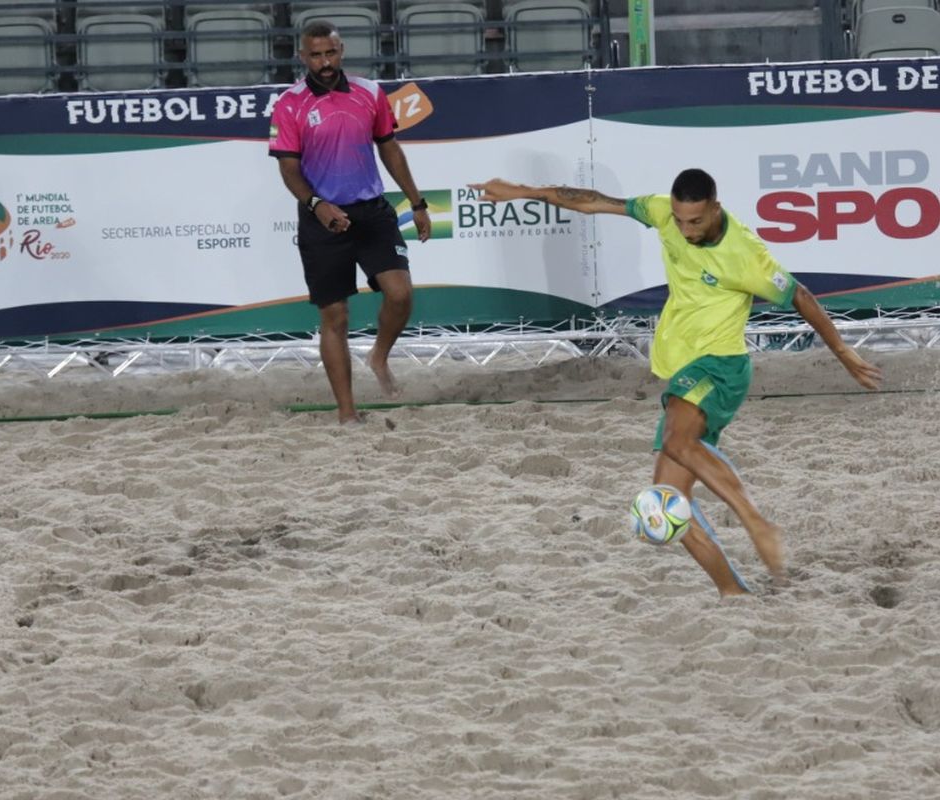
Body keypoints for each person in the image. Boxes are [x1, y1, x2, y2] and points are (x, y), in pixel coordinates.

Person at [468, 170, 882, 595]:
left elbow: (800, 296)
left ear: (715, 209)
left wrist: (845, 353)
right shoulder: (663, 212)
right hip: (684, 368)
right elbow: (592, 200)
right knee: (665, 503)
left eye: (696, 222)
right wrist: (521, 192)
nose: (686, 231)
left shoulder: (745, 255)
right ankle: (734, 594)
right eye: (681, 221)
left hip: (720, 367)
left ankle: (757, 523)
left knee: (676, 441)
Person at [267, 20, 431, 424]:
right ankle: (347, 413)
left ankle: (378, 356)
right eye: (317, 55)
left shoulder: (370, 92)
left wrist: (417, 201)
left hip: (372, 211)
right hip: (321, 218)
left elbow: (390, 149)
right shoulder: (289, 104)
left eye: (332, 52)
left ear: (342, 50)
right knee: (335, 316)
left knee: (400, 295)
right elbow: (289, 169)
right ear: (303, 57)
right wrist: (317, 204)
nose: (325, 62)